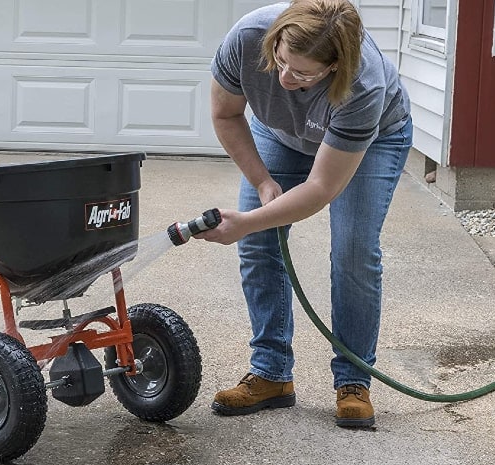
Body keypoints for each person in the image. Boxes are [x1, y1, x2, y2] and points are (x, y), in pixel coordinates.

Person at [196, 0, 412, 428]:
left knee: (353, 249)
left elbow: (320, 188)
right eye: (279, 62)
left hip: (373, 143)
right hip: (279, 134)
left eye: (303, 73)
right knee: (259, 244)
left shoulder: (362, 85)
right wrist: (261, 182)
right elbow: (225, 113)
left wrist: (245, 221)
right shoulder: (246, 37)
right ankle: (271, 373)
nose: (284, 78)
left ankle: (353, 381)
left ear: (334, 67)